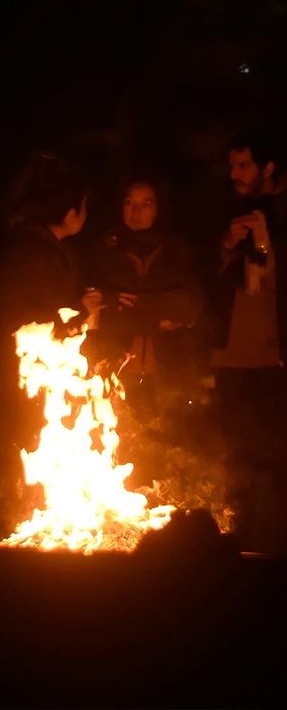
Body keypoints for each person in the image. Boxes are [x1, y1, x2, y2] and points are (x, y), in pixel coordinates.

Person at [0, 154, 97, 523]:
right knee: (21, 496)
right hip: (23, 395)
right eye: (84, 205)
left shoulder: (39, 249)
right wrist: (77, 312)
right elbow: (28, 322)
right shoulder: (33, 254)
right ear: (69, 210)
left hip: (30, 393)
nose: (85, 214)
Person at [208, 127, 287, 553]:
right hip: (231, 355)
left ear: (268, 167)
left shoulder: (279, 211)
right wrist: (226, 244)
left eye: (244, 165)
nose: (235, 174)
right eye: (231, 166)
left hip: (272, 356)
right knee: (235, 451)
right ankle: (238, 543)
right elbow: (211, 279)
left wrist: (264, 244)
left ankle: (272, 548)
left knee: (273, 455)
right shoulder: (227, 210)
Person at [85, 178, 203, 411]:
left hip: (168, 370)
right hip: (116, 371)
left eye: (145, 204)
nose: (135, 211)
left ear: (159, 209)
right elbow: (97, 307)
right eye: (129, 202)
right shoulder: (104, 253)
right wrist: (157, 319)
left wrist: (141, 304)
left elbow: (190, 305)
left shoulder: (176, 252)